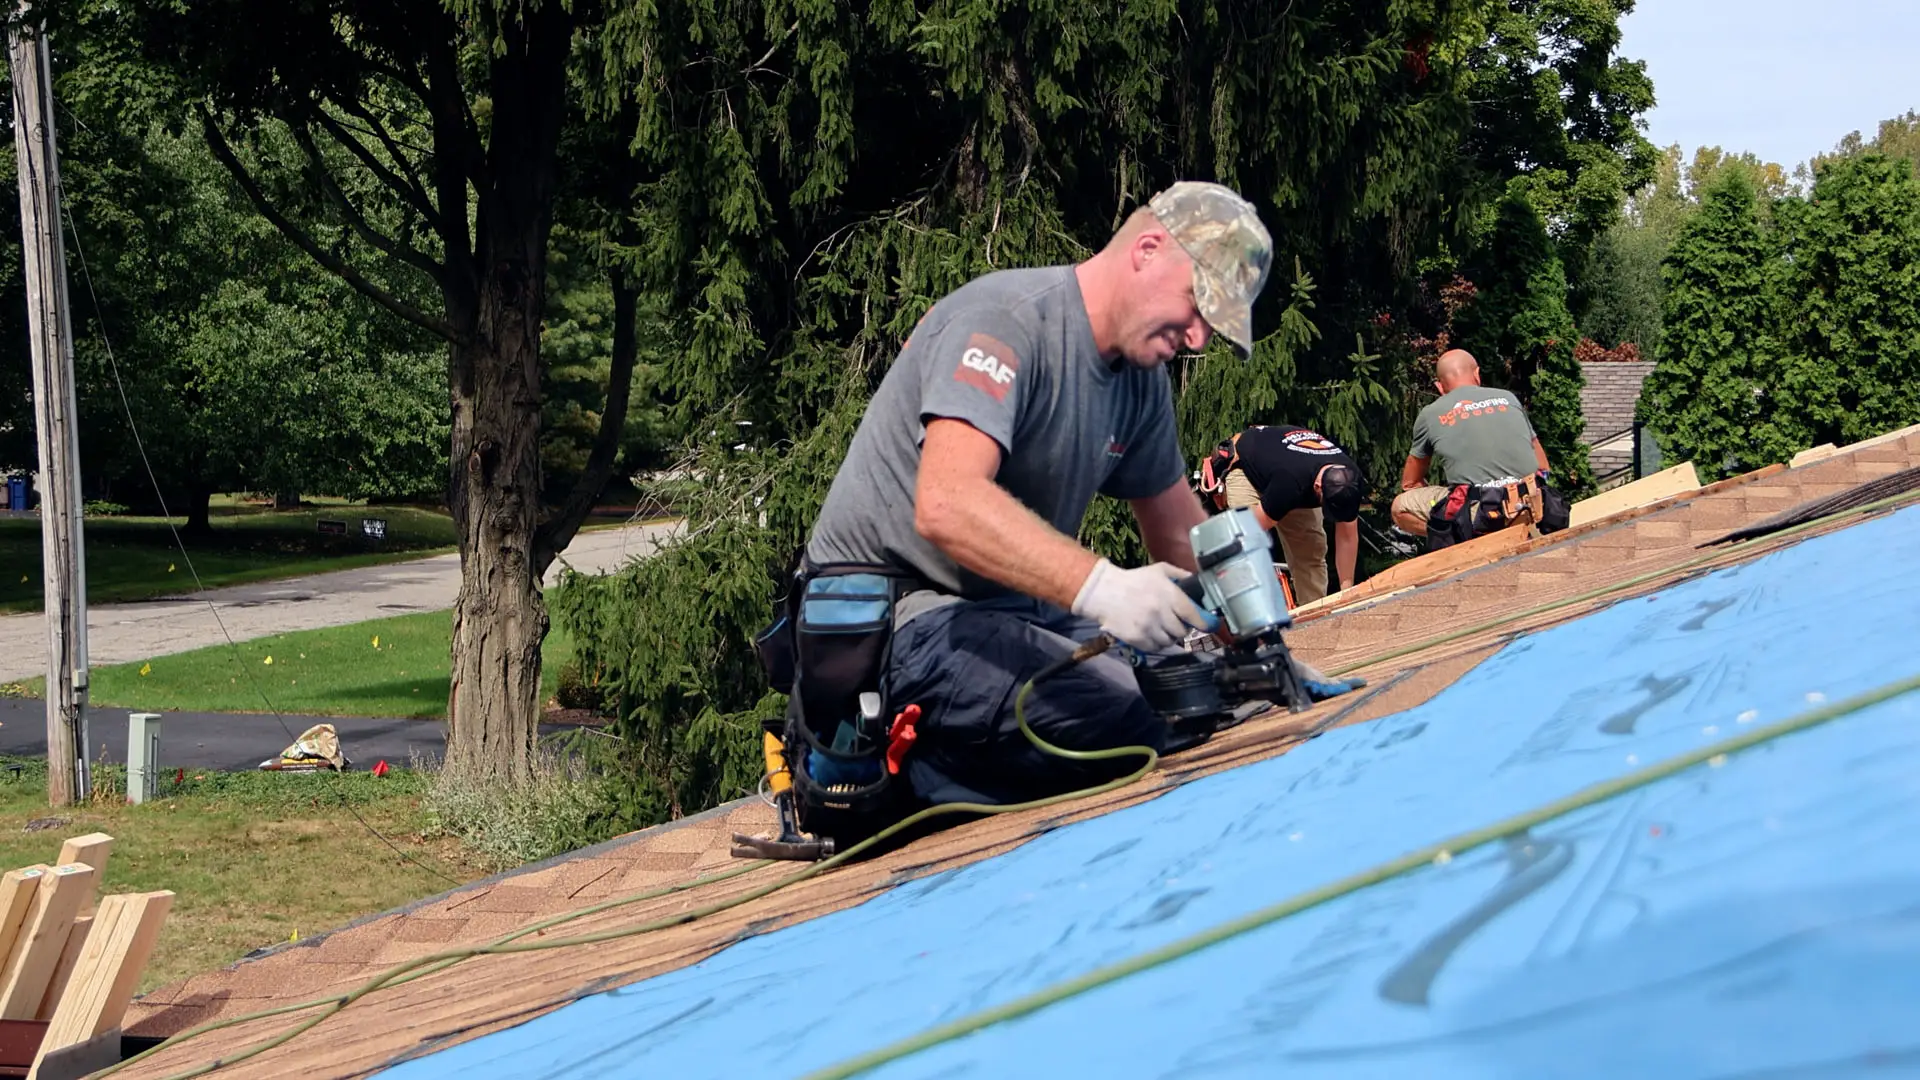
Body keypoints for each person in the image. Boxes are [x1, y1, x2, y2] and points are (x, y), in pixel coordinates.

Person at [800, 181, 1272, 808]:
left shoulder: (1139, 380)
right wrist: (1104, 588)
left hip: (1005, 615)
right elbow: (946, 503)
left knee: (1206, 692)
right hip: (897, 626)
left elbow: (1178, 532)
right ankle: (897, 776)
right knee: (1137, 718)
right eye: (1197, 305)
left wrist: (1261, 652)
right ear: (1147, 250)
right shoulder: (1006, 322)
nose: (1198, 338)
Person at [1391, 348, 1552, 537]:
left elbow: (1410, 483)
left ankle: (1460, 538)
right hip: (1531, 501)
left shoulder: (1430, 414)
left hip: (1482, 512)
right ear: (1477, 374)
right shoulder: (1508, 398)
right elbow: (1543, 466)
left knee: (1400, 507)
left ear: (1440, 387)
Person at [1203, 424, 1363, 603]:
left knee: (1310, 553)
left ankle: (1315, 611)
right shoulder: (1289, 483)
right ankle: (1255, 612)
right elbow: (1254, 525)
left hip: (1285, 466)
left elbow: (1347, 537)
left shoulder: (1350, 480)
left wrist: (1347, 592)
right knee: (1249, 547)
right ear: (1318, 487)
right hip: (1246, 468)